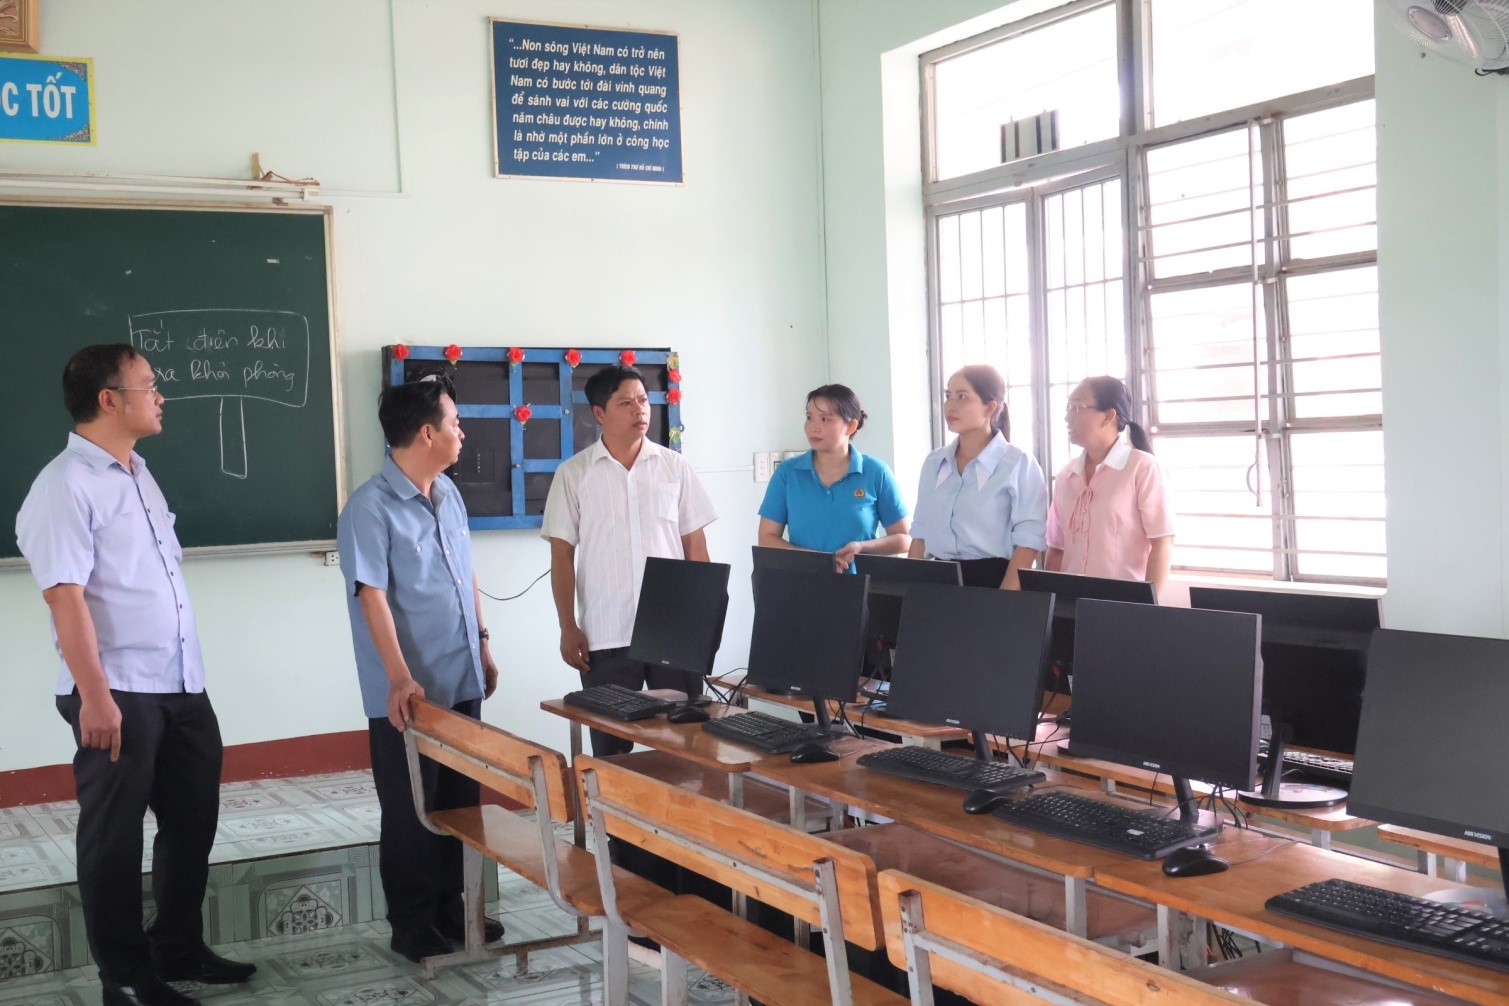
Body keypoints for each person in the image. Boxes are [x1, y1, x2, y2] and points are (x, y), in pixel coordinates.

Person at [16, 344, 255, 1006]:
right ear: (109, 399)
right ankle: (123, 976)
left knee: (192, 820)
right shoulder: (64, 486)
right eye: (149, 385)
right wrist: (94, 697)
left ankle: (177, 947)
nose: (161, 396)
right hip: (116, 690)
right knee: (114, 837)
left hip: (179, 683)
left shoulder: (139, 475)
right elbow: (65, 599)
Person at [336, 376, 501, 964]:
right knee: (412, 809)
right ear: (427, 433)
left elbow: (464, 571)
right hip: (410, 692)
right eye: (455, 423)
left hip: (461, 675)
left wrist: (482, 642)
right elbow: (372, 597)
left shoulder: (448, 493)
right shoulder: (368, 508)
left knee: (459, 803)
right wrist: (400, 677)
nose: (462, 432)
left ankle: (451, 908)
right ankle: (410, 922)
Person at [542, 363, 717, 757]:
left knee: (686, 747)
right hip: (606, 634)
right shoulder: (573, 474)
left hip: (675, 633)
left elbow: (696, 548)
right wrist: (568, 626)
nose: (640, 410)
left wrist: (703, 622)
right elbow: (562, 556)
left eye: (643, 400)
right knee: (611, 753)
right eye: (626, 403)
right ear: (599, 413)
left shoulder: (675, 467)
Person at [908, 364, 1047, 589]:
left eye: (962, 396)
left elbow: (1028, 542)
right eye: (948, 395)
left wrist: (1003, 600)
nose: (950, 405)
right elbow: (920, 533)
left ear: (990, 407)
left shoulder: (1018, 463)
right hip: (936, 583)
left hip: (995, 583)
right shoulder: (934, 462)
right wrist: (909, 591)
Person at [757, 384, 910, 571]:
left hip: (861, 584)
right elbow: (767, 538)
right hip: (800, 582)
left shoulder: (876, 472)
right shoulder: (787, 473)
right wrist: (819, 562)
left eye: (825, 419)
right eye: (809, 417)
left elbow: (904, 539)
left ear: (851, 426)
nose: (813, 427)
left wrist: (862, 547)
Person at [1045, 376, 1174, 596]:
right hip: (1069, 602)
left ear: (1108, 416)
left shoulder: (1143, 468)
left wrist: (1147, 608)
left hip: (1121, 604)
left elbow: (1162, 543)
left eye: (1076, 407)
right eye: (1068, 407)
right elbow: (1057, 549)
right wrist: (1048, 603)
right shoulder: (1066, 475)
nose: (1067, 417)